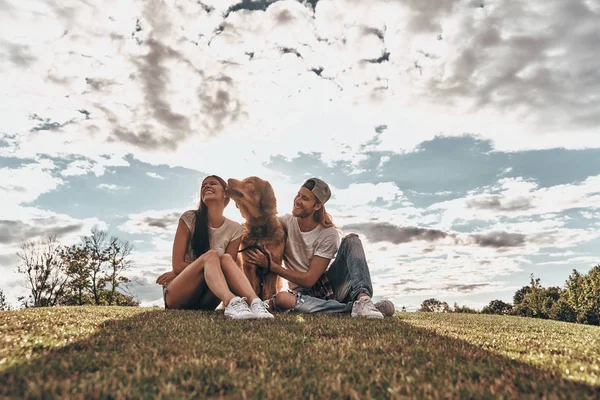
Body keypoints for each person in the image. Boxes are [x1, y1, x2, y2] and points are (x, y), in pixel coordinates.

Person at [244, 177, 395, 318]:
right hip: (301, 294)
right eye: (298, 195)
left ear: (317, 206)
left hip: (330, 288)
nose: (297, 200)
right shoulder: (284, 223)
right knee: (282, 298)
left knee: (352, 240)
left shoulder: (328, 234)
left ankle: (363, 299)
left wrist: (271, 266)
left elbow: (309, 280)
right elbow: (261, 222)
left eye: (305, 198)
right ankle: (353, 309)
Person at [156, 175, 273, 320]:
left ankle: (255, 302)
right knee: (212, 256)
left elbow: (228, 269)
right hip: (178, 297)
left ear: (226, 193)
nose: (206, 186)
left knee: (226, 259)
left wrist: (209, 269)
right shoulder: (189, 218)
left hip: (207, 299)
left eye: (213, 183)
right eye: (203, 185)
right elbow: (178, 265)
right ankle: (231, 302)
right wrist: (199, 268)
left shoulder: (235, 228)